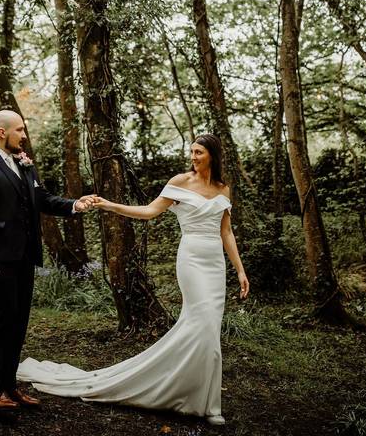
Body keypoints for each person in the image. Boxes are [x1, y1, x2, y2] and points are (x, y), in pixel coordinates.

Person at [17, 133, 249, 426]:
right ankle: (192, 397)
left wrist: (239, 270)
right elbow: (149, 212)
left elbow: (226, 232)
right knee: (200, 321)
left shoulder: (222, 189)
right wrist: (109, 205)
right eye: (191, 151)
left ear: (212, 155)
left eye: (199, 152)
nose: (193, 157)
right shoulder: (179, 182)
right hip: (191, 259)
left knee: (208, 329)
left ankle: (203, 398)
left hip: (215, 263)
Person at [0, 109, 95, 412]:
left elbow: (43, 199)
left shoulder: (24, 164)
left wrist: (75, 204)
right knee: (1, 322)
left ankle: (9, 385)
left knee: (19, 322)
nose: (24, 135)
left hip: (25, 257)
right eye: (20, 130)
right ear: (1, 132)